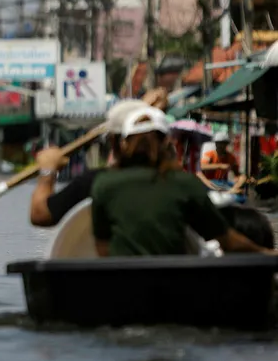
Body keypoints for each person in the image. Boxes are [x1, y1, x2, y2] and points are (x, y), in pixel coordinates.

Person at [90, 107, 275, 257]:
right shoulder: (183, 184)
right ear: (166, 143)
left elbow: (103, 248)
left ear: (124, 143)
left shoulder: (104, 184)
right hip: (173, 290)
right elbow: (225, 239)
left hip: (123, 288)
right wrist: (265, 253)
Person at [29, 89, 169, 228]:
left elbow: (40, 214)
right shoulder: (178, 181)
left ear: (114, 142)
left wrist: (47, 172)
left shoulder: (96, 183)